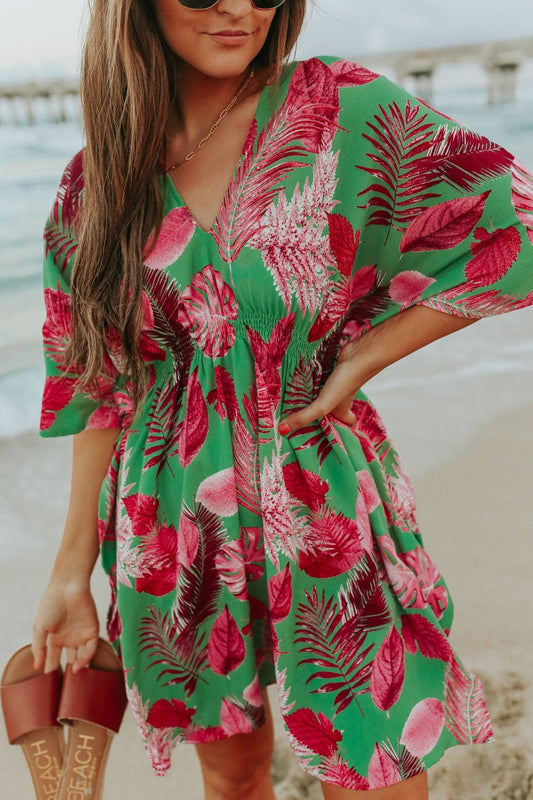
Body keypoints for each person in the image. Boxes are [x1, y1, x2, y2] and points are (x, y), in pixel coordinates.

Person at [30, 1, 533, 798]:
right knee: (231, 779)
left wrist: (363, 356)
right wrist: (69, 574)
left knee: (374, 767)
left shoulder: (340, 108)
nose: (238, 6)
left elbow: (513, 223)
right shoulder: (92, 185)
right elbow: (96, 389)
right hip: (171, 522)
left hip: (320, 497)